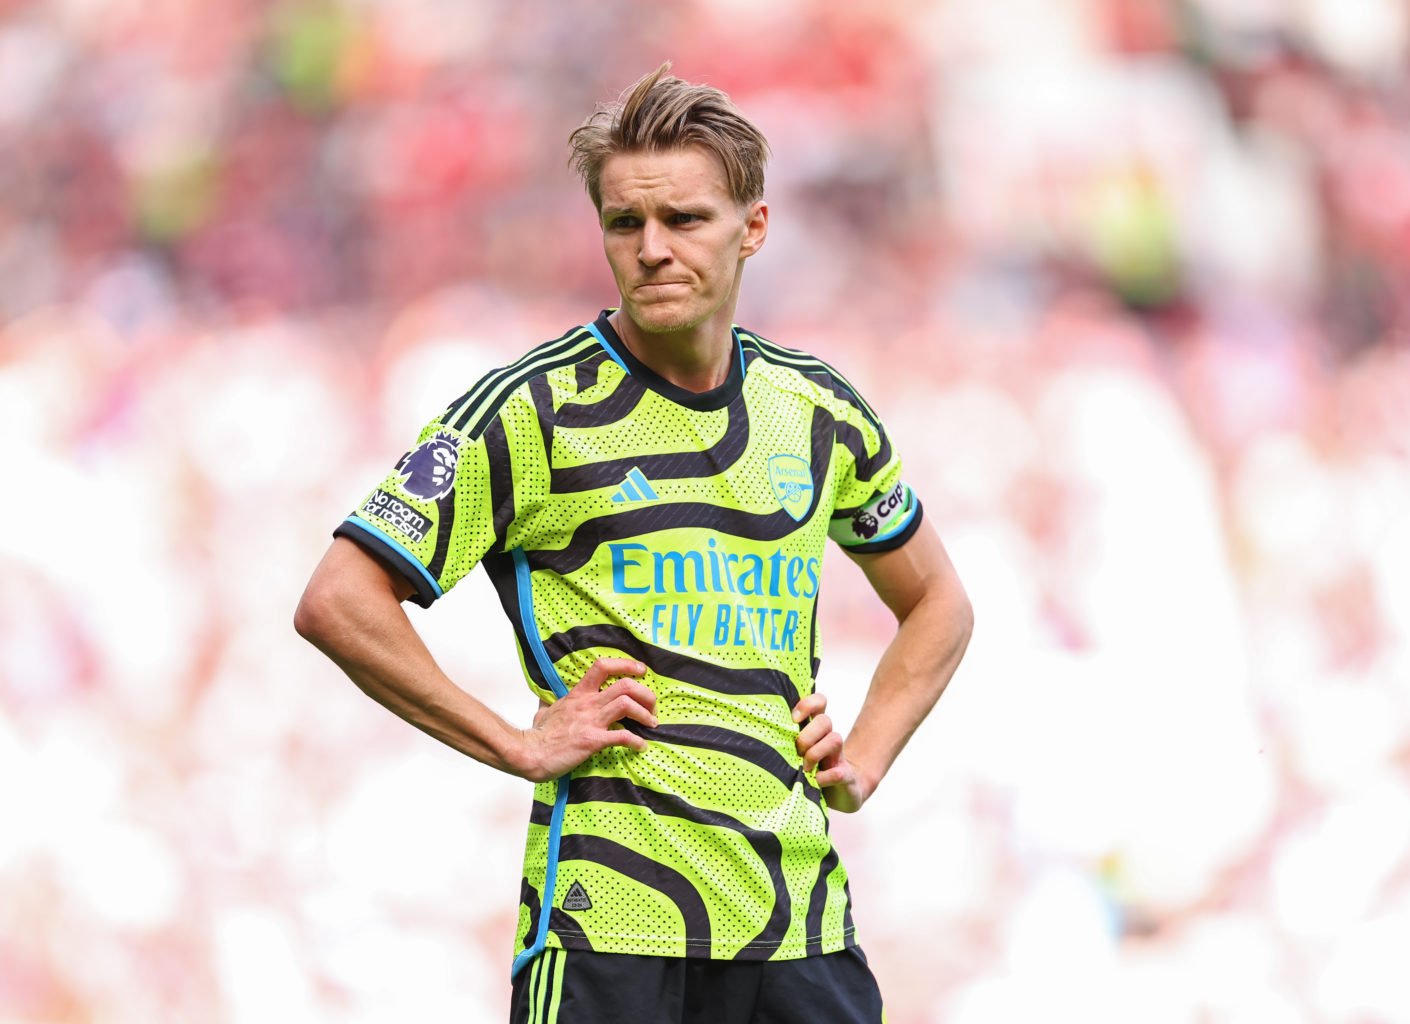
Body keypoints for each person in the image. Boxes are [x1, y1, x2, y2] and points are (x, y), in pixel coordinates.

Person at [294, 62, 972, 1024]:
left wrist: (864, 752)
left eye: (685, 220)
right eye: (625, 223)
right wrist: (516, 743)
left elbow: (939, 603)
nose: (652, 249)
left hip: (799, 929)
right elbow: (338, 598)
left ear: (755, 229)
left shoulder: (818, 409)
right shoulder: (532, 410)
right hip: (606, 934)